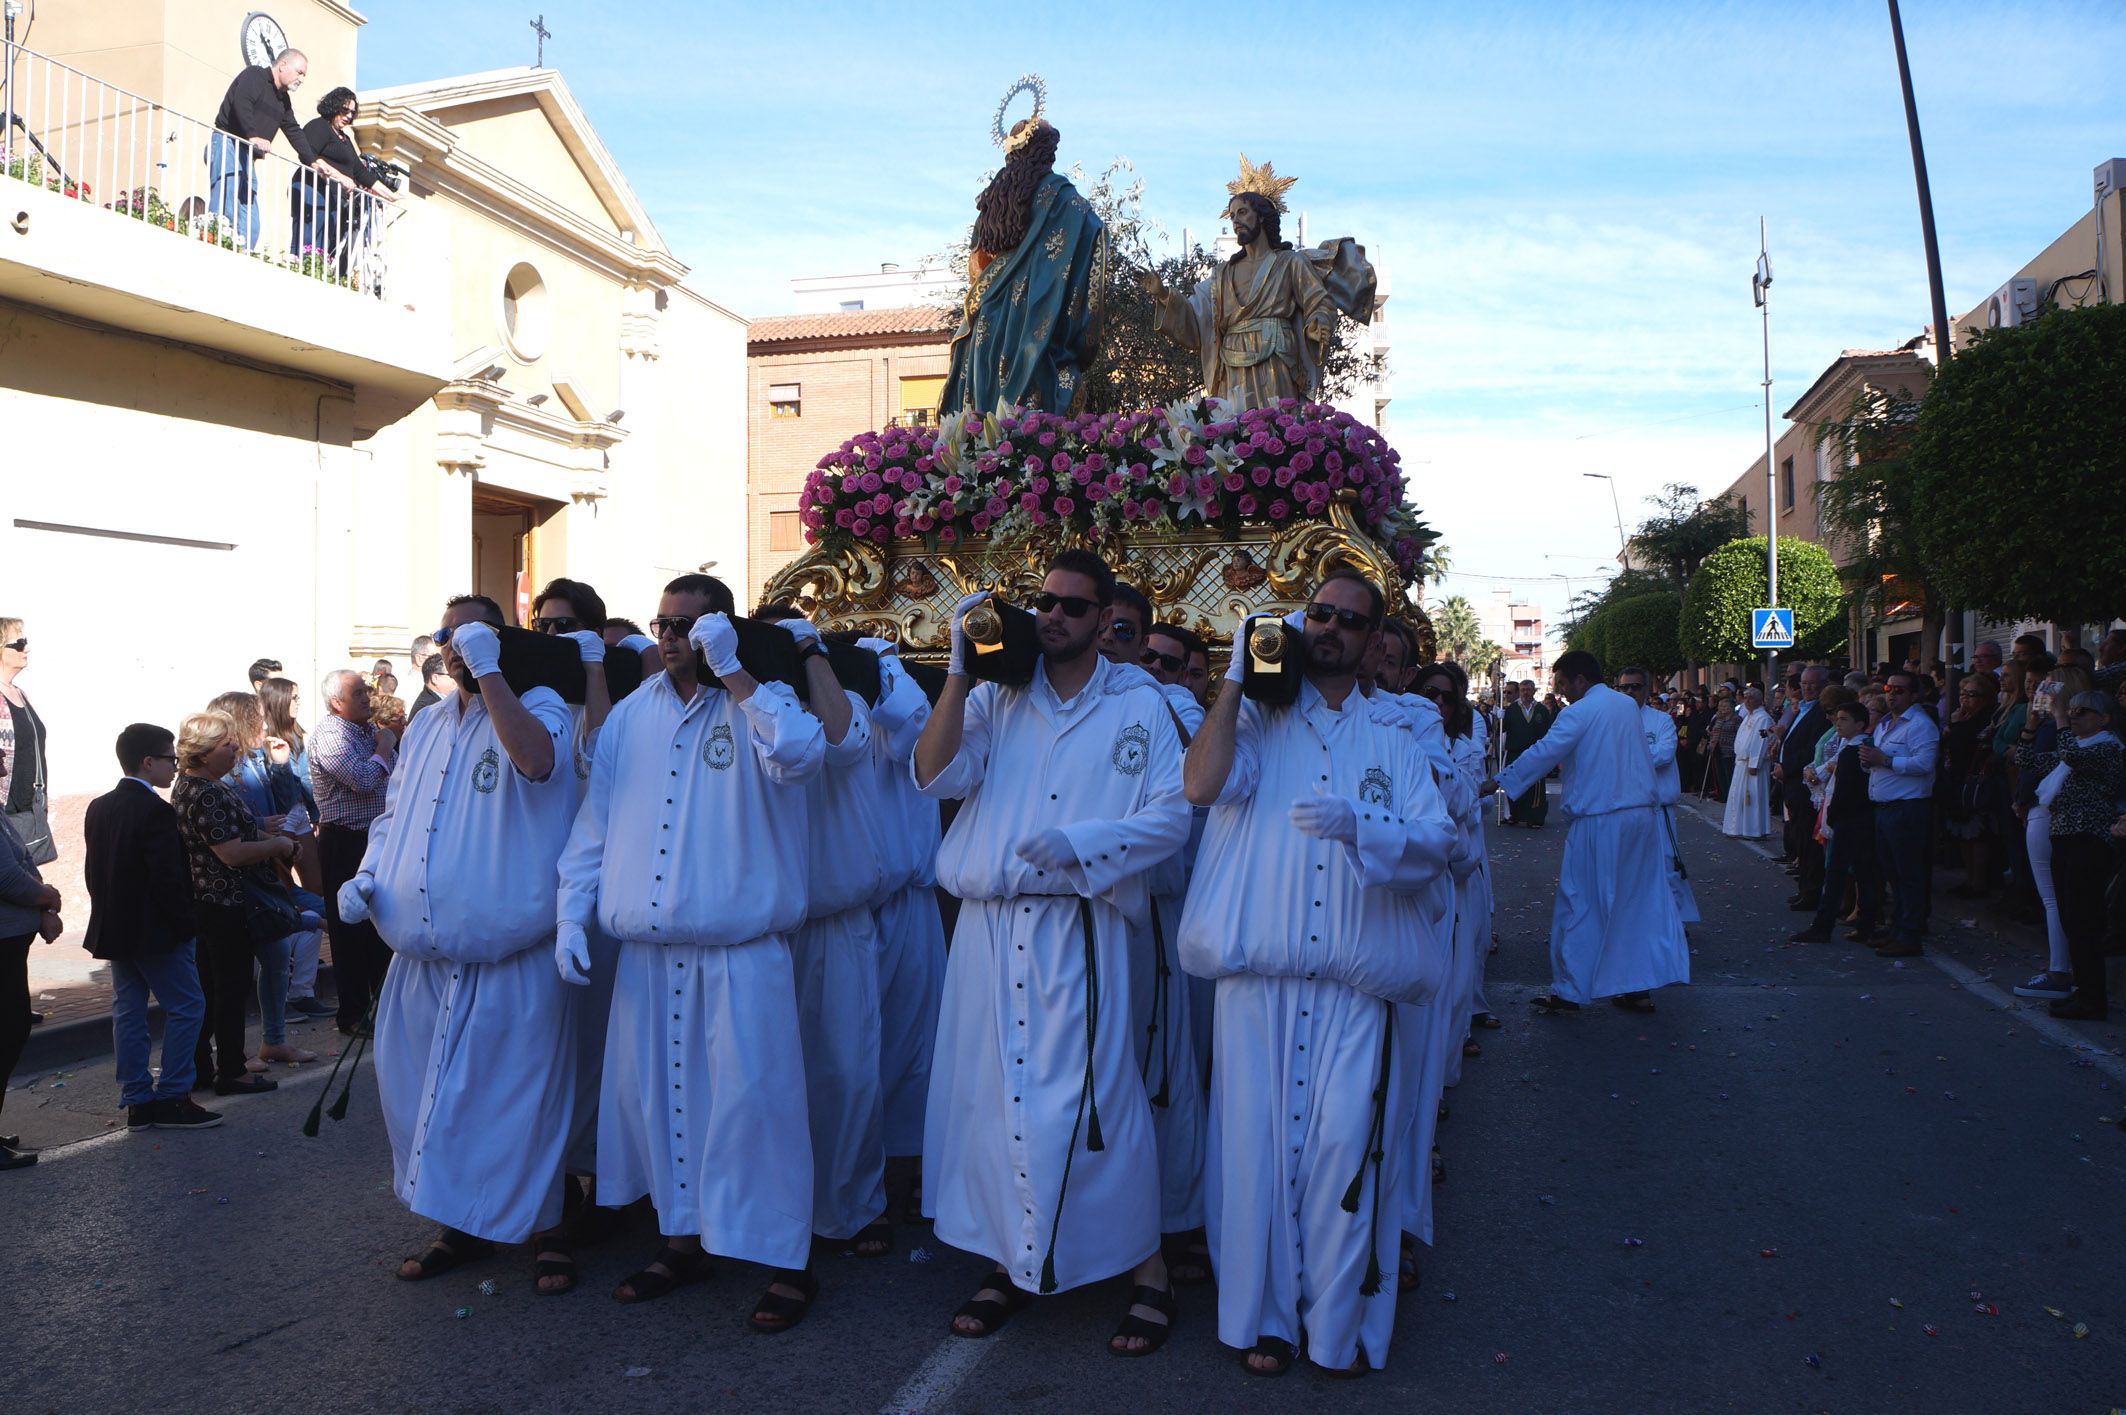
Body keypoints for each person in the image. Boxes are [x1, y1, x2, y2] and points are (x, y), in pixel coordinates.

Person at [1178, 571, 1454, 1375]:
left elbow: (1436, 843)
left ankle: (1337, 1325)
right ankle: (1264, 1318)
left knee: (1343, 1152)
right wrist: (1234, 673)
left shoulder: (1396, 741)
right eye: (1319, 615)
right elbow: (1200, 784)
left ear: (1374, 642)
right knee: (1253, 1159)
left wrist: (1364, 825)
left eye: (1349, 621)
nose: (1330, 628)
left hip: (1354, 987)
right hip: (1258, 983)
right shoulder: (1258, 723)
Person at [914, 549, 1189, 1353]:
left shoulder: (1139, 707)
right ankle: (1010, 1260)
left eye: (1074, 605)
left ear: (1106, 619)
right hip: (990, 927)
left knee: (1100, 1100)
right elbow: (933, 776)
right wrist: (959, 670)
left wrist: (1081, 843)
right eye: (1046, 602)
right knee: (993, 1098)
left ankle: (1148, 1269)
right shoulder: (1000, 699)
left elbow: (1172, 816)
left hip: (1081, 923)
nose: (1053, 616)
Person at [557, 573, 825, 1331]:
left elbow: (804, 754)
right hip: (649, 956)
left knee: (755, 1106)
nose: (673, 636)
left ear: (720, 627)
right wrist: (571, 914)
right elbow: (595, 828)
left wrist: (735, 669)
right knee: (662, 1106)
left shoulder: (761, 702)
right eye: (664, 623)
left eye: (689, 623)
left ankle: (785, 1258)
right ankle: (682, 1239)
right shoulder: (629, 719)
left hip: (740, 952)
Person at [338, 595, 586, 1294]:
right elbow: (392, 816)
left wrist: (491, 674)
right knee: (431, 1097)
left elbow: (537, 763)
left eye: (470, 633)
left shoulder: (541, 704)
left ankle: (554, 1229)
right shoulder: (425, 726)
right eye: (447, 634)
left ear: (499, 636)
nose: (453, 645)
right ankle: (461, 1223)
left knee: (523, 1099)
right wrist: (367, 875)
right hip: (423, 956)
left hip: (513, 954)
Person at [753, 604, 893, 1259]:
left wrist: (811, 652)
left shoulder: (842, 699)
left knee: (844, 1069)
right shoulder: (756, 707)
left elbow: (840, 737)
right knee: (771, 1078)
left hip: (835, 921)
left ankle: (853, 1207)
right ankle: (779, 1209)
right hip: (765, 927)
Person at [1494, 650, 1688, 1014]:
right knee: (1635, 903)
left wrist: (1499, 782)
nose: (1563, 693)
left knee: (1580, 902)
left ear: (1581, 679)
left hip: (1599, 819)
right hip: (1639, 819)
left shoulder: (1579, 712)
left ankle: (1570, 988)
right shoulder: (1626, 707)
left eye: (1564, 684)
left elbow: (1546, 751)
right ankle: (1636, 986)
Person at [1142, 161, 1374, 412]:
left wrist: (1318, 322)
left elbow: (1318, 300)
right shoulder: (1221, 275)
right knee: (1235, 434)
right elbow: (1198, 324)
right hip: (1231, 365)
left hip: (1276, 361)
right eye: (1232, 216)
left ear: (1262, 215)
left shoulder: (1289, 262)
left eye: (1242, 213)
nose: (1235, 221)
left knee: (1276, 431)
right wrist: (1164, 295)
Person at [851, 635, 947, 1227]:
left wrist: (879, 665)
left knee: (914, 1043)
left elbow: (911, 723)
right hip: (849, 904)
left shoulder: (902, 694)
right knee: (858, 1046)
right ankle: (861, 1172)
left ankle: (910, 1169)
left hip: (908, 900)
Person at [83, 725, 219, 1131]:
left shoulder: (100, 806)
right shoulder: (155, 810)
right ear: (147, 762)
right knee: (188, 1006)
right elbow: (167, 878)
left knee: (128, 1011)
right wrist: (185, 924)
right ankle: (174, 1095)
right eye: (169, 759)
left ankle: (138, 1100)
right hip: (156, 930)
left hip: (117, 927)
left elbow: (95, 873)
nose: (175, 768)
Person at [937, 115, 1106, 417]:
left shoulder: (995, 201)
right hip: (1036, 327)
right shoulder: (1067, 201)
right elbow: (1092, 233)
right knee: (1030, 427)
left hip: (987, 324)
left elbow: (977, 267)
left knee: (982, 423)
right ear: (1046, 153)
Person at [170, 710, 299, 1095]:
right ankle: (231, 1068)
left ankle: (204, 1066)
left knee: (211, 988)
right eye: (227, 745)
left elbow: (234, 832)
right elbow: (230, 852)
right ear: (205, 751)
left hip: (211, 901)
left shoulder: (192, 785)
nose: (234, 751)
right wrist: (275, 845)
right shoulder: (205, 791)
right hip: (224, 902)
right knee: (228, 987)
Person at [2015, 691, 2125, 1020]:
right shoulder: (2075, 750)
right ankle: (2084, 992)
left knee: (2083, 921)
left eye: (2083, 712)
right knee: (2070, 917)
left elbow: (2071, 755)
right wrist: (2031, 727)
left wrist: (2060, 716)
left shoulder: (2109, 748)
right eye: (2072, 711)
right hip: (2064, 837)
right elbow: (2028, 761)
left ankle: (2092, 999)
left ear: (2104, 719)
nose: (2074, 716)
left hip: (2089, 839)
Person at [311, 670, 397, 1036]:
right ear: (336, 702)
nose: (367, 697)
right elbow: (363, 780)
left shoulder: (366, 730)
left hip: (377, 839)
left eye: (366, 690)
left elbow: (393, 778)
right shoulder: (331, 735)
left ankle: (384, 1008)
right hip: (345, 841)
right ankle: (353, 1013)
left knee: (382, 926)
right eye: (358, 692)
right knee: (350, 931)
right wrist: (383, 748)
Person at [209, 48, 355, 249]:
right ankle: (214, 241)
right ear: (283, 65)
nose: (301, 79)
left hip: (247, 154)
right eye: (299, 72)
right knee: (227, 195)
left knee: (249, 214)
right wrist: (253, 135)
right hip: (228, 141)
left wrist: (313, 162)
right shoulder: (254, 75)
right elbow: (241, 103)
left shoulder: (283, 100)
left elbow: (294, 131)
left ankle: (243, 251)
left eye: (303, 75)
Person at [1, 787, 65, 1169]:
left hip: (11, 939)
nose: (4, 770)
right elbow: (8, 880)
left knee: (11, 1029)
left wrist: (42, 905)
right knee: (6, 1032)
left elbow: (22, 865)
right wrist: (47, 898)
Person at [1859, 671, 1941, 959]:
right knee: (1893, 873)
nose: (1892, 694)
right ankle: (1897, 927)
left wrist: (1887, 760)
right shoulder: (1883, 724)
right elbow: (1877, 760)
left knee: (1909, 874)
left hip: (1908, 808)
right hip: (1884, 807)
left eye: (1900, 690)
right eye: (1888, 688)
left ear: (1914, 694)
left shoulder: (1920, 725)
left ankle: (1910, 933)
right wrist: (1870, 762)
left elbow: (1925, 763)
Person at [1791, 701, 1881, 945]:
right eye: (1837, 718)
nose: (1838, 723)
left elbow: (1848, 788)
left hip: (1851, 818)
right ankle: (1864, 924)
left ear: (1859, 724)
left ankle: (1826, 925)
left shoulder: (1858, 749)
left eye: (1844, 720)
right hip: (1852, 817)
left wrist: (1834, 814)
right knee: (1859, 872)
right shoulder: (1848, 747)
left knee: (1839, 874)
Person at [1617, 668, 1699, 931]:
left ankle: (1675, 919)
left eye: (1636, 687)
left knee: (1667, 864)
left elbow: (1663, 754)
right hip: (1624, 806)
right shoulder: (1613, 722)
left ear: (1647, 688)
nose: (1630, 692)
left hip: (1657, 808)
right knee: (1628, 867)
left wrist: (1627, 758)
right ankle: (1638, 921)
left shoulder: (1661, 721)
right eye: (1624, 688)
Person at [288, 87, 396, 274]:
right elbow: (307, 155)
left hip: (331, 196)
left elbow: (361, 172)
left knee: (325, 237)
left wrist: (391, 195)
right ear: (334, 106)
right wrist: (340, 177)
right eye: (344, 110)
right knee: (309, 232)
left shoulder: (345, 139)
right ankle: (302, 267)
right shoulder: (319, 126)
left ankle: (316, 269)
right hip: (311, 186)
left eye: (352, 113)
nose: (348, 116)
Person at [0, 621, 54, 867]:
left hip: (29, 812)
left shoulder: (19, 693)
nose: (27, 648)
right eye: (19, 643)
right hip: (6, 816)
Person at [1774, 667, 1829, 908]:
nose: (1807, 687)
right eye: (1804, 683)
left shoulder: (1819, 713)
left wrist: (1787, 767)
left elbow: (1811, 749)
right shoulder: (1802, 709)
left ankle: (1811, 891)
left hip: (1805, 784)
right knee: (1799, 838)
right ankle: (1804, 887)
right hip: (1792, 783)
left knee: (1808, 841)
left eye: (1812, 683)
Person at [1722, 687, 1774, 839]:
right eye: (1745, 698)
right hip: (1741, 763)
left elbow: (1761, 741)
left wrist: (1754, 762)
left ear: (1759, 700)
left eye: (1750, 698)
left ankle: (1754, 829)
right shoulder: (1748, 717)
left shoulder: (1763, 718)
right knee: (1738, 797)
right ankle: (1738, 828)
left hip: (1752, 765)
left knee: (1753, 797)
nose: (1747, 701)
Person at [1501, 678, 1550, 827]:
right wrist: (1498, 719)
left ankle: (1534, 817)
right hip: (1515, 752)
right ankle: (1514, 815)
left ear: (1534, 691)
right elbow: (1501, 730)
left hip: (1535, 753)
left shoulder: (1541, 710)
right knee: (1514, 783)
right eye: (1522, 690)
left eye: (1528, 690)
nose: (1525, 693)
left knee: (1534, 787)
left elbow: (1549, 732)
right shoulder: (1510, 710)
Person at [1099, 583, 1152, 667]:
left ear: (1143, 645)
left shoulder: (1145, 680)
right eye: (1100, 624)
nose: (1107, 636)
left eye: (1123, 629)